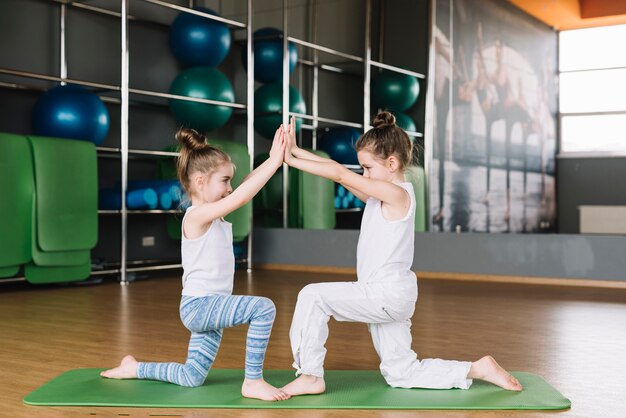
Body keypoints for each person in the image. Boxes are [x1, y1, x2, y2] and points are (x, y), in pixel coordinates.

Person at [280, 112, 522, 396]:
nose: (364, 175)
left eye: (368, 168)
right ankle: (479, 368)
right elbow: (338, 170)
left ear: (392, 163)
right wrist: (296, 149)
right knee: (401, 373)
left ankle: (310, 375)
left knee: (312, 296)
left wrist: (290, 161)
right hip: (390, 296)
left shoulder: (398, 195)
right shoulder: (379, 195)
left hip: (385, 295)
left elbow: (340, 174)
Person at [101, 127, 290, 402]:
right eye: (225, 181)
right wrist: (274, 161)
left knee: (192, 376)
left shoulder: (212, 215)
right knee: (263, 308)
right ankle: (253, 381)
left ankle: (134, 367)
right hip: (200, 307)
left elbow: (244, 187)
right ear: (200, 182)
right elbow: (242, 197)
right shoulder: (196, 216)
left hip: (209, 307)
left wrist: (271, 159)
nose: (230, 188)